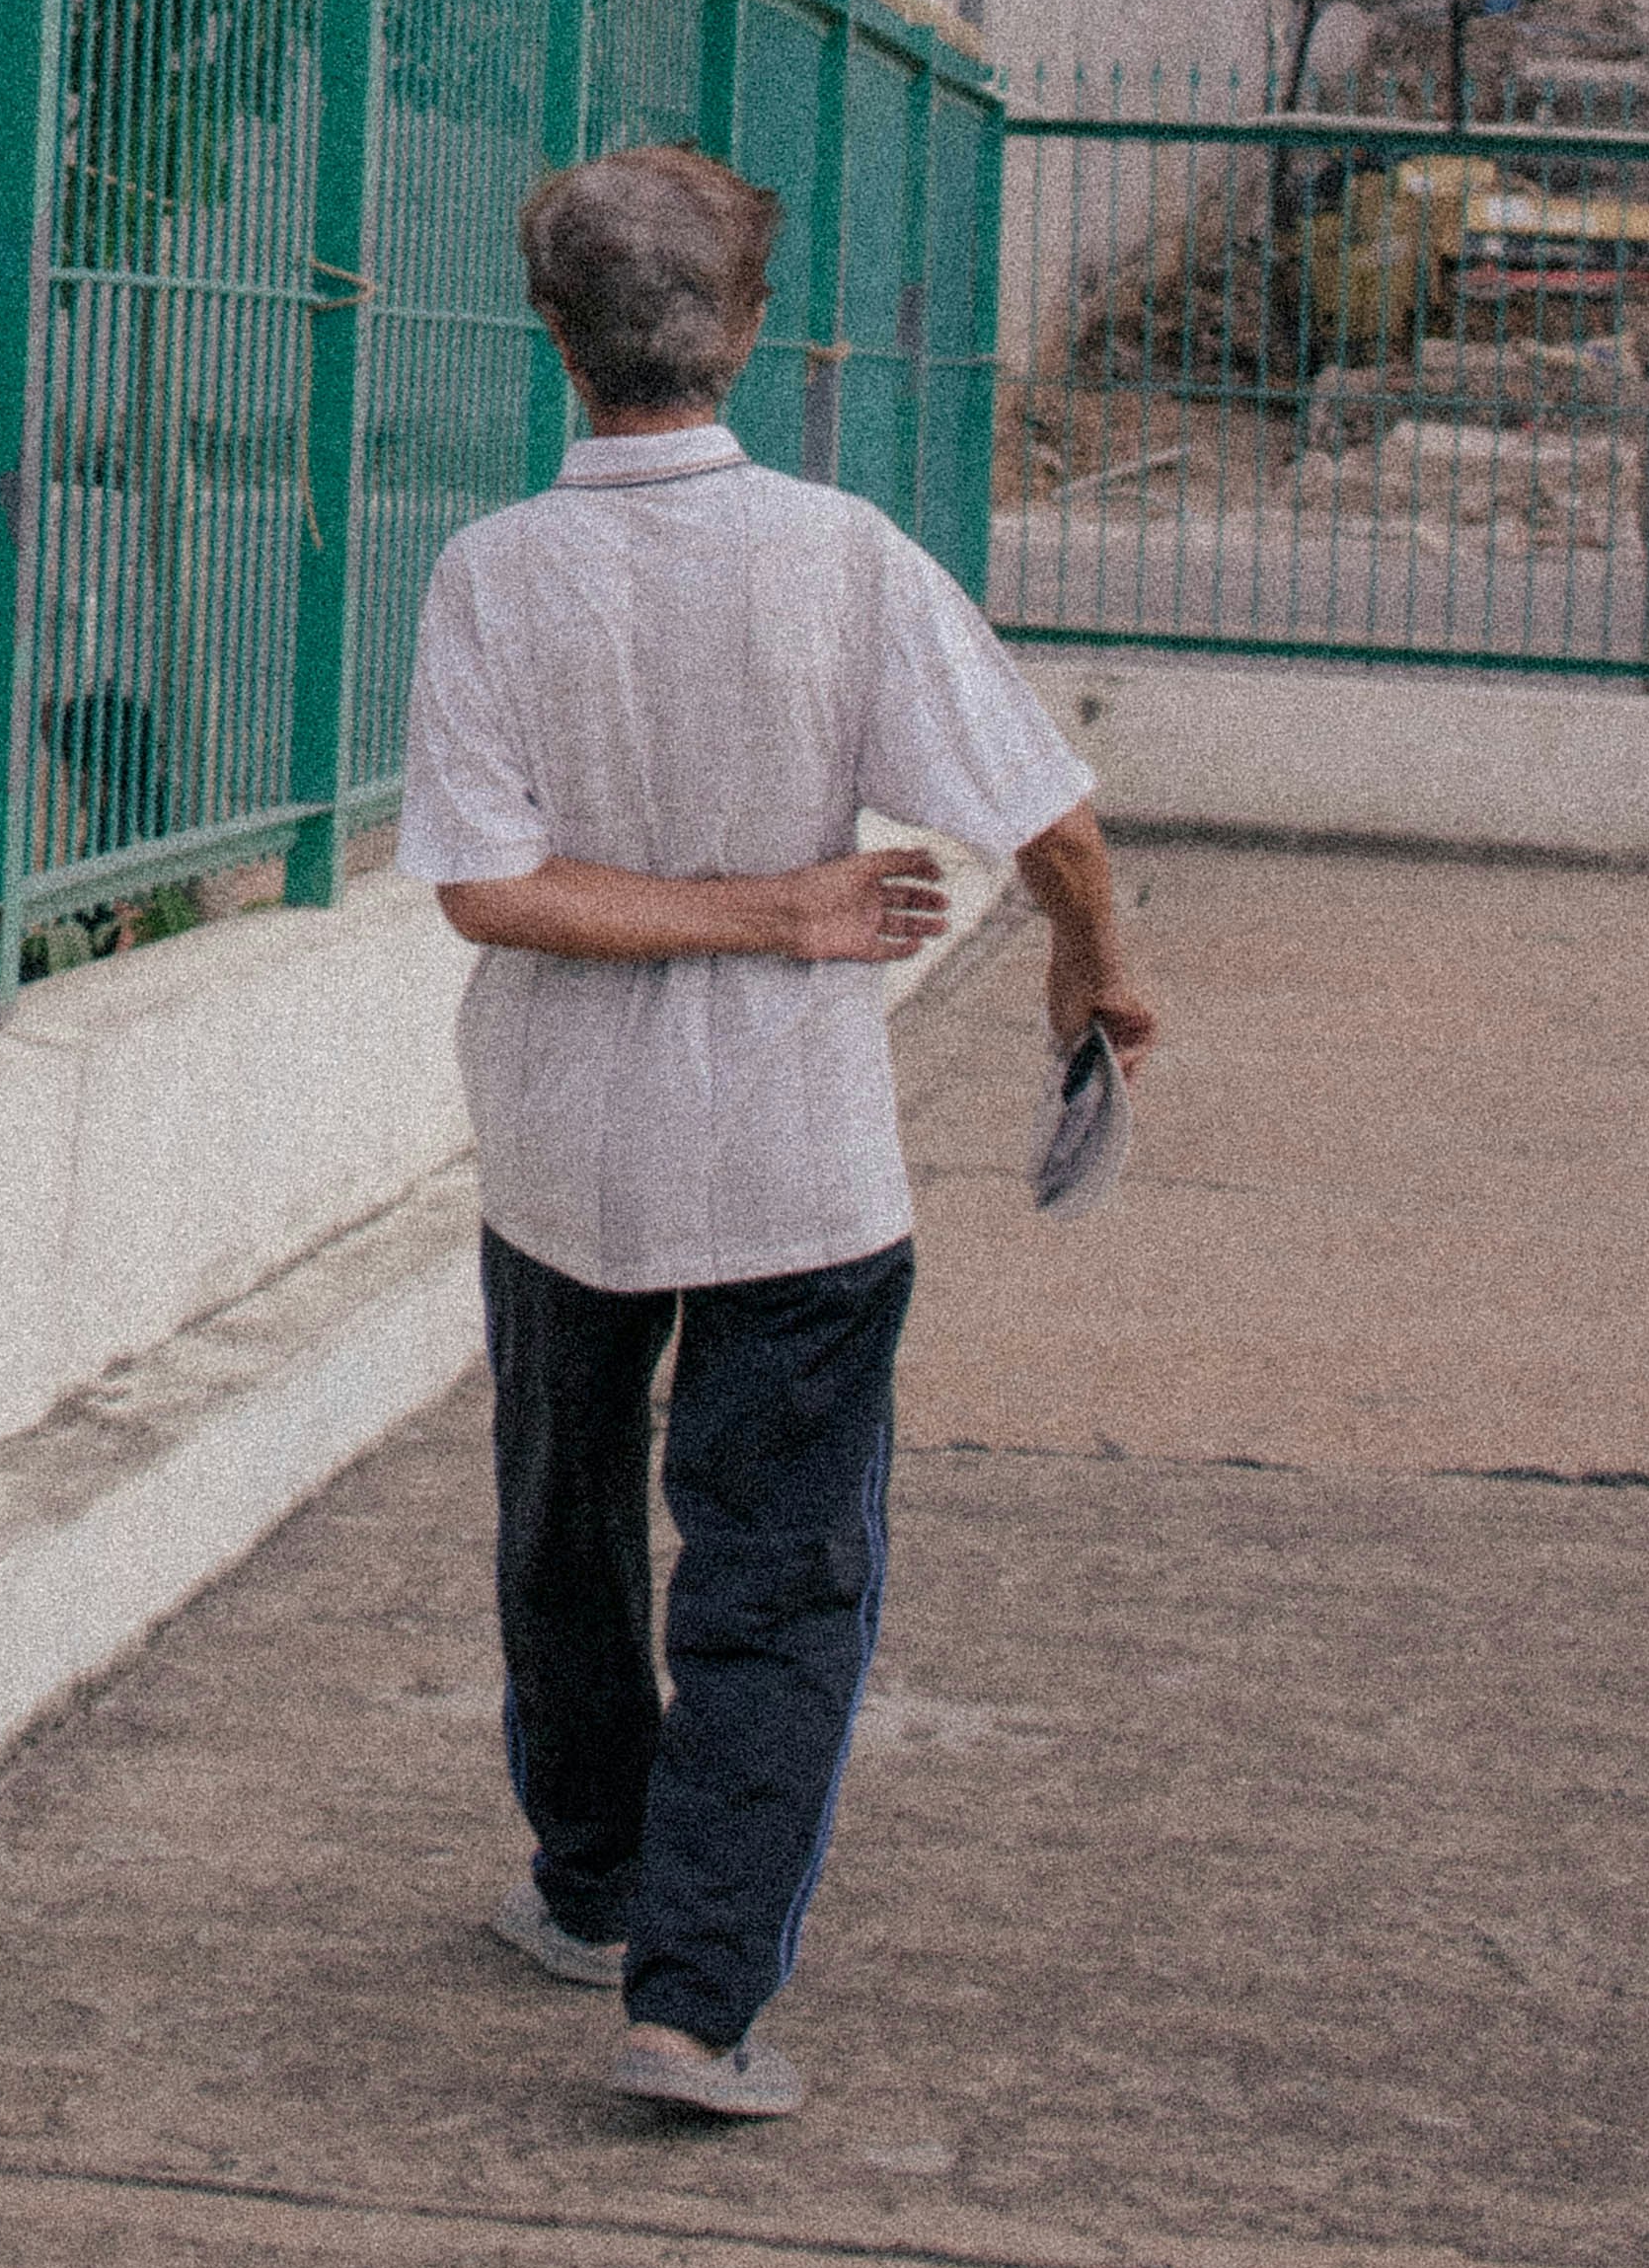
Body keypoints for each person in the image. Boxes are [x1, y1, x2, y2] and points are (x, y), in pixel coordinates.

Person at [395, 144, 1156, 2125]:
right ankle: (692, 1999)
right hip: (791, 1172)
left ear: (553, 339)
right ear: (744, 336)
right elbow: (1049, 821)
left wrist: (735, 903)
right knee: (777, 1574)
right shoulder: (840, 553)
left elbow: (486, 885)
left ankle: (585, 1890)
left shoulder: (490, 571)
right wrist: (1084, 969)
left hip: (560, 1157)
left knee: (556, 1530)